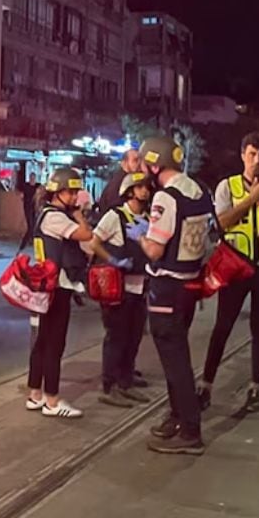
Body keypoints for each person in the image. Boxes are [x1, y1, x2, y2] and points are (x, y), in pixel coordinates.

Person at [199, 132, 259, 416]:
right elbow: (222, 222)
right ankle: (206, 385)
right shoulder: (228, 186)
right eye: (251, 154)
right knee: (222, 326)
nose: (257, 160)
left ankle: (254, 387)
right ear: (242, 155)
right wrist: (252, 199)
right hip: (235, 268)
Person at [137, 136, 215, 454]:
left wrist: (138, 237)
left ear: (155, 165)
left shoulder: (165, 199)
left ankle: (191, 431)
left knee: (175, 359)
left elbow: (155, 249)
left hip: (167, 287)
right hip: (190, 284)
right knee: (176, 353)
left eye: (145, 163)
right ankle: (178, 416)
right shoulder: (198, 192)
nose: (142, 169)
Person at [26, 167, 94, 418]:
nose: (76, 197)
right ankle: (52, 400)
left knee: (43, 341)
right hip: (59, 285)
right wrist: (78, 215)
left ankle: (35, 394)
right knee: (55, 343)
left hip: (48, 284)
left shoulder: (45, 213)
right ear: (59, 192)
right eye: (72, 192)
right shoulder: (56, 217)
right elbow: (86, 234)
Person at [89, 171, 153, 407]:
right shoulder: (115, 216)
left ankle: (125, 380)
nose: (145, 191)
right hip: (118, 289)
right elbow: (94, 243)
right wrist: (113, 260)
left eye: (146, 187)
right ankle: (109, 385)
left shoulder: (146, 217)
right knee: (116, 336)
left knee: (134, 335)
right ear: (129, 190)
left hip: (140, 286)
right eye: (140, 187)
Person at [94, 148, 141, 218]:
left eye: (140, 161)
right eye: (135, 160)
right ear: (124, 163)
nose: (139, 164)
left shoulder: (127, 180)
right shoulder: (119, 183)